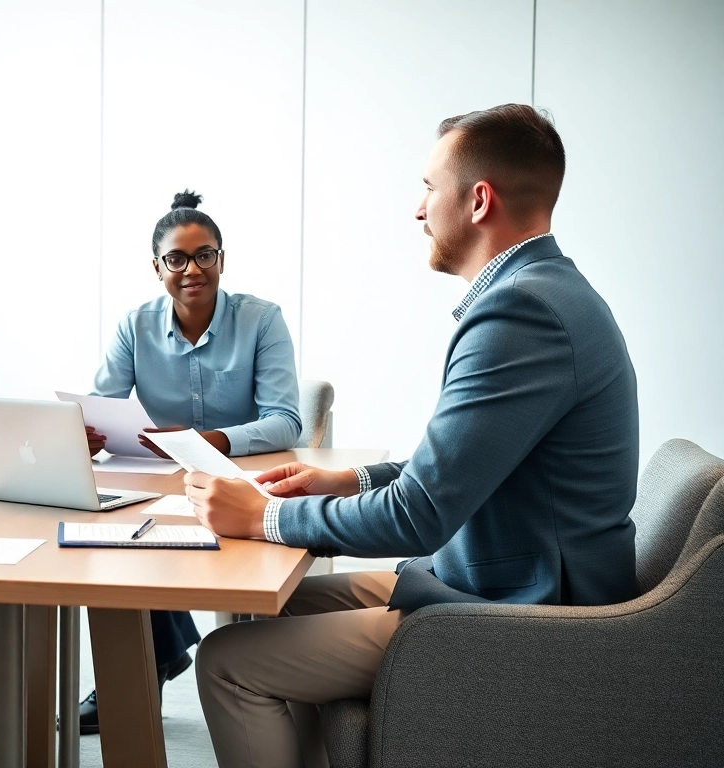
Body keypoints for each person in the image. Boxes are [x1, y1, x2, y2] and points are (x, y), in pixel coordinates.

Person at [185, 104, 640, 768]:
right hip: (489, 577)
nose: (418, 210)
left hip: (531, 617)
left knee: (226, 660)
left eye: (429, 188)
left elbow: (421, 514)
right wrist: (349, 479)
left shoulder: (522, 313)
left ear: (478, 200)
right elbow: (459, 466)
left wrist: (269, 518)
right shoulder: (541, 292)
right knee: (279, 607)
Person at [79, 190, 303, 733]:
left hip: (244, 480)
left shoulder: (262, 319)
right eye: (176, 259)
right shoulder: (136, 325)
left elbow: (286, 420)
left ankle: (160, 661)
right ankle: (143, 667)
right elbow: (105, 404)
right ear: (157, 267)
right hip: (161, 481)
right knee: (118, 539)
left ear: (221, 260)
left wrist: (211, 441)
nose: (192, 269)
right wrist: (88, 432)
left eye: (205, 255)